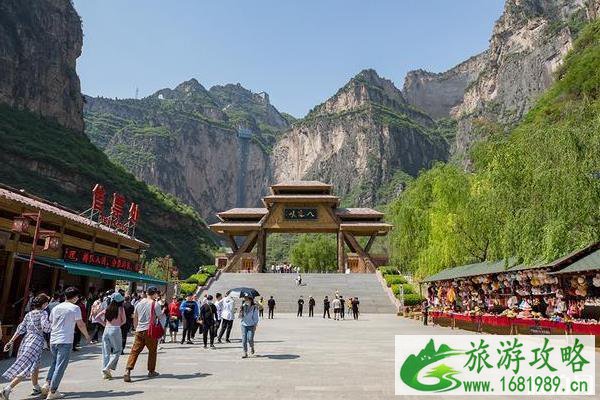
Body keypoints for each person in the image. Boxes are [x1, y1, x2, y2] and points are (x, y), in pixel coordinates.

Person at [42, 287, 90, 399]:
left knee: (54, 363)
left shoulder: (56, 307)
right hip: (65, 340)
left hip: (53, 339)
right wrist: (87, 336)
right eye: (77, 296)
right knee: (60, 366)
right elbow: (80, 324)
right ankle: (53, 391)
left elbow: (51, 321)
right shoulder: (75, 308)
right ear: (75, 297)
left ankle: (47, 383)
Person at [1, 294, 51, 399]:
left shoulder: (29, 314)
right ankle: (7, 389)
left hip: (26, 340)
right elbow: (46, 328)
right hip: (36, 341)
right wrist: (54, 325)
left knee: (35, 364)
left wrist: (10, 341)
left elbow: (20, 329)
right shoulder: (43, 314)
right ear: (44, 304)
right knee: (26, 366)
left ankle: (36, 387)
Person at [123, 286, 163, 383]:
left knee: (134, 351)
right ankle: (151, 371)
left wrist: (136, 328)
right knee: (152, 351)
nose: (157, 295)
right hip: (150, 331)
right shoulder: (155, 304)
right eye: (157, 293)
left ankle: (128, 370)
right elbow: (160, 316)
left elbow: (135, 317)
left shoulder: (139, 303)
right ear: (154, 294)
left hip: (139, 330)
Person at [97, 292, 126, 380]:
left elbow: (96, 317)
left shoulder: (107, 308)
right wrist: (118, 325)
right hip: (116, 329)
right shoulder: (121, 309)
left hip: (106, 329)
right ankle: (107, 368)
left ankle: (105, 373)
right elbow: (124, 320)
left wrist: (104, 324)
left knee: (106, 352)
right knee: (117, 350)